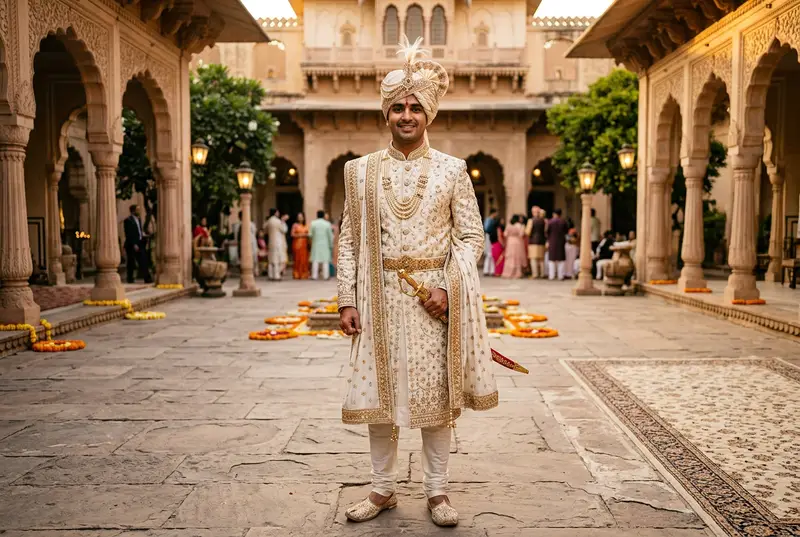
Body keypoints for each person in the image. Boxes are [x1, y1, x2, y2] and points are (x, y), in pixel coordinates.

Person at [337, 35, 498, 528]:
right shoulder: (358, 172)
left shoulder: (453, 171)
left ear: (429, 116)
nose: (406, 116)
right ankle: (382, 489)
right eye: (397, 108)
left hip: (434, 301)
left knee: (434, 400)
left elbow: (472, 236)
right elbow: (348, 240)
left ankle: (437, 491)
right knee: (380, 402)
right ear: (385, 115)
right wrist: (347, 298)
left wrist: (449, 287)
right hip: (378, 299)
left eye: (415, 108)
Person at [123, 204, 152, 284]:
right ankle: (130, 278)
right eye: (137, 209)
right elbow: (128, 233)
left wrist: (143, 235)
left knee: (143, 260)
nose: (139, 211)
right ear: (133, 211)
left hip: (140, 243)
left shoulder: (138, 219)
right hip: (131, 244)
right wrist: (134, 244)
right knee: (131, 262)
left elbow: (138, 231)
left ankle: (147, 278)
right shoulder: (128, 220)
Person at [310, 209, 334, 280]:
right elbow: (330, 236)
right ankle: (326, 276)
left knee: (315, 260)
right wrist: (331, 245)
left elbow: (310, 235)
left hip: (316, 244)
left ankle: (314, 276)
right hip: (325, 244)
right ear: (323, 216)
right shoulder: (327, 224)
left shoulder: (313, 223)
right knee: (325, 261)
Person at [546, 208, 568, 280]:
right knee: (561, 259)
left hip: (552, 241)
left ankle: (551, 276)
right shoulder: (563, 221)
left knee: (551, 259)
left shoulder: (550, 222)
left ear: (554, 214)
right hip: (561, 241)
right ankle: (560, 276)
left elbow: (547, 232)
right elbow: (566, 231)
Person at [526, 206, 546, 279]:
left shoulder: (531, 221)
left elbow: (527, 232)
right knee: (541, 259)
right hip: (542, 241)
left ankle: (535, 274)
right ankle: (542, 274)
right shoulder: (543, 220)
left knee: (533, 259)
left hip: (533, 241)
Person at [265, 209, 283, 280]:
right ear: (275, 213)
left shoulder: (268, 221)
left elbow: (265, 229)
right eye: (277, 212)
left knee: (270, 259)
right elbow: (283, 229)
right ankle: (276, 275)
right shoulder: (278, 221)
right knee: (276, 259)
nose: (278, 213)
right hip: (277, 241)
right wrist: (283, 222)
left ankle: (270, 275)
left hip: (270, 241)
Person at [291, 212, 310, 279]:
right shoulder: (295, 225)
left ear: (303, 217)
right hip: (297, 244)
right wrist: (302, 235)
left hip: (304, 245)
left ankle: (304, 274)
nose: (300, 218)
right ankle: (297, 274)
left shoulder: (306, 225)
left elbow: (309, 234)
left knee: (304, 259)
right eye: (299, 216)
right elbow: (292, 234)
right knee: (297, 259)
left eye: (301, 216)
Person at [482, 209, 498, 276]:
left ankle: (491, 270)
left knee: (491, 254)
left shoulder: (493, 220)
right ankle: (486, 270)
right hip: (489, 237)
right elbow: (486, 229)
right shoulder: (489, 220)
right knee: (489, 254)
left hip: (492, 238)